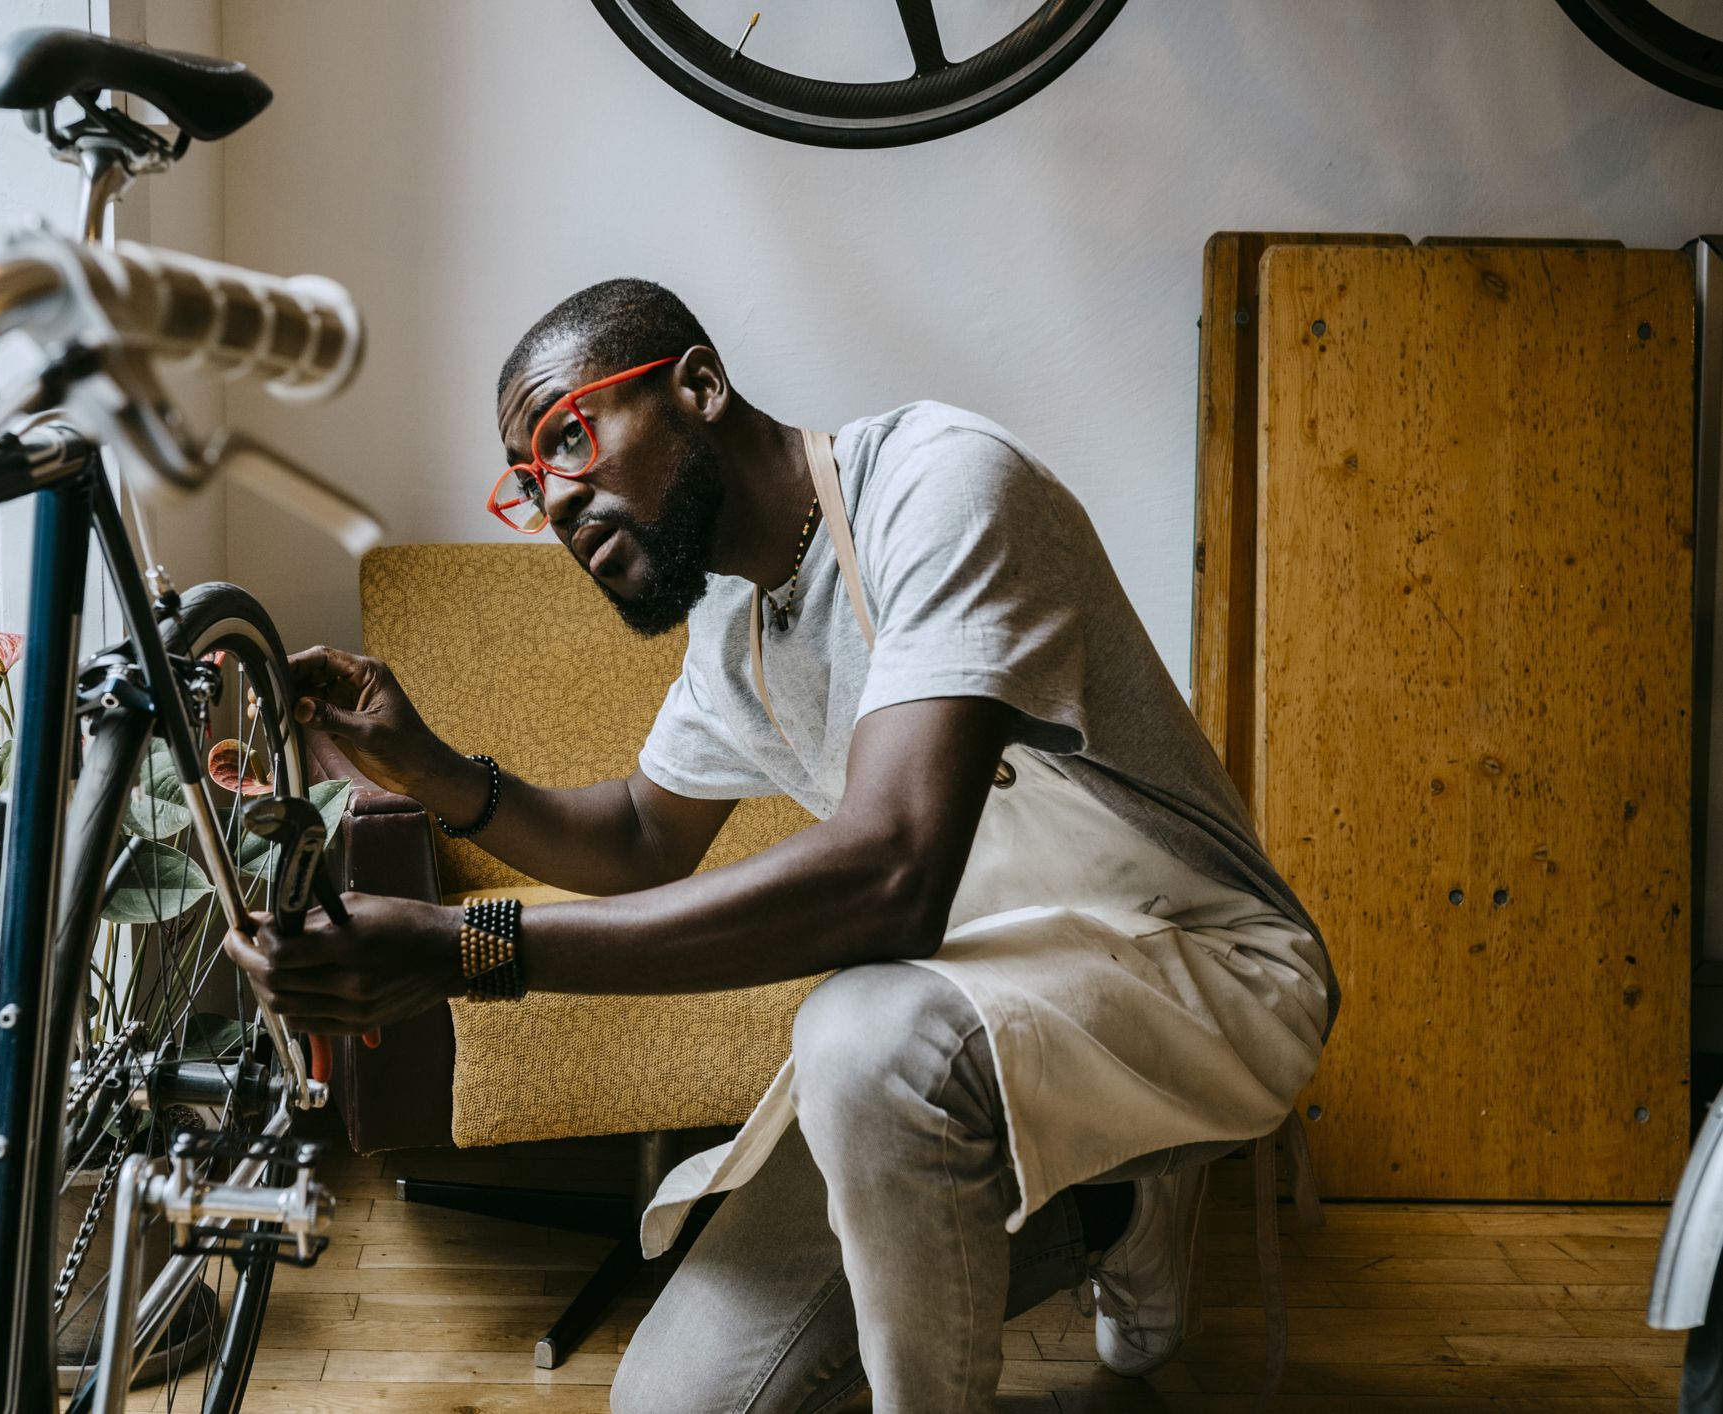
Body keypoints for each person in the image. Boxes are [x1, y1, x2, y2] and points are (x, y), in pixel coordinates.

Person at [224, 278, 1338, 1413]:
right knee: (672, 1404)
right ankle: (1111, 1206)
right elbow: (641, 835)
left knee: (861, 1027)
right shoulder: (736, 632)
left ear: (698, 385)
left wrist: (469, 946)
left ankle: (1092, 1213)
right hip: (992, 1000)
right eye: (527, 480)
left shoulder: (941, 483)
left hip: (1209, 970)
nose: (555, 500)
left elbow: (892, 875)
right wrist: (430, 766)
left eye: (568, 436)